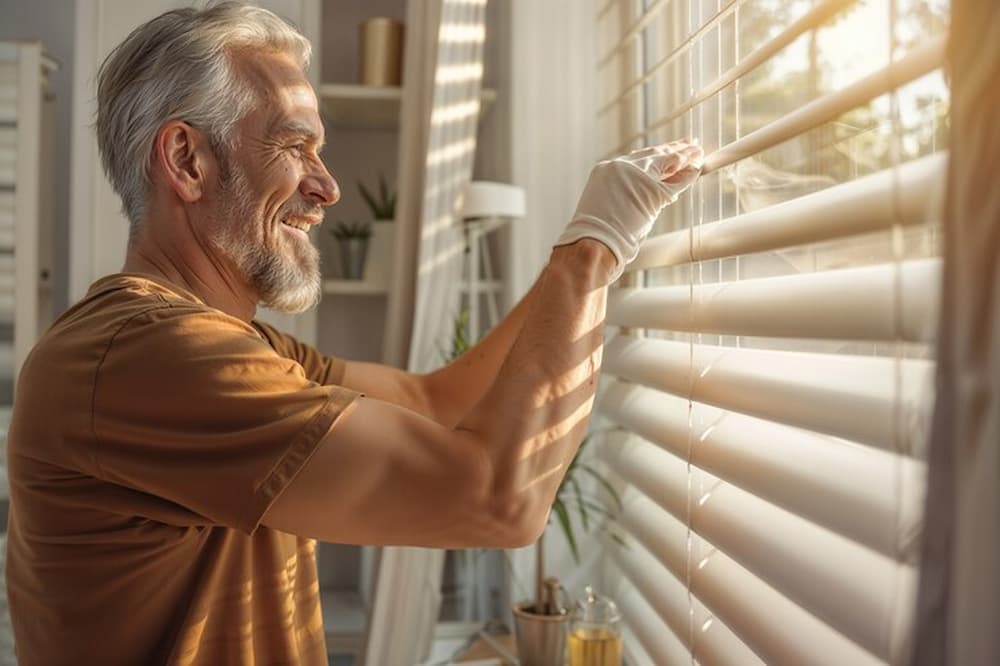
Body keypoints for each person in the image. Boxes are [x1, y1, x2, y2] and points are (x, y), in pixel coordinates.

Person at [4, 3, 702, 664]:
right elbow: (499, 502)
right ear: (188, 161)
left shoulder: (231, 343)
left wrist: (594, 246)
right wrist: (591, 251)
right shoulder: (148, 357)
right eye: (295, 146)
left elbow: (434, 402)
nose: (328, 187)